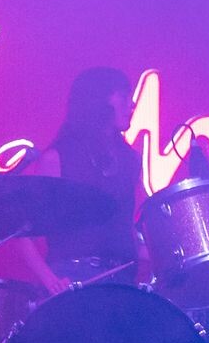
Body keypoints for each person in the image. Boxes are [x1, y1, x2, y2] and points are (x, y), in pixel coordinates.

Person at [13, 67, 144, 296]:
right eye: (124, 96)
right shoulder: (59, 157)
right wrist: (51, 281)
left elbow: (125, 228)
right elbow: (22, 232)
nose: (131, 104)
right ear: (99, 100)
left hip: (123, 282)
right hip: (74, 279)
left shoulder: (130, 159)